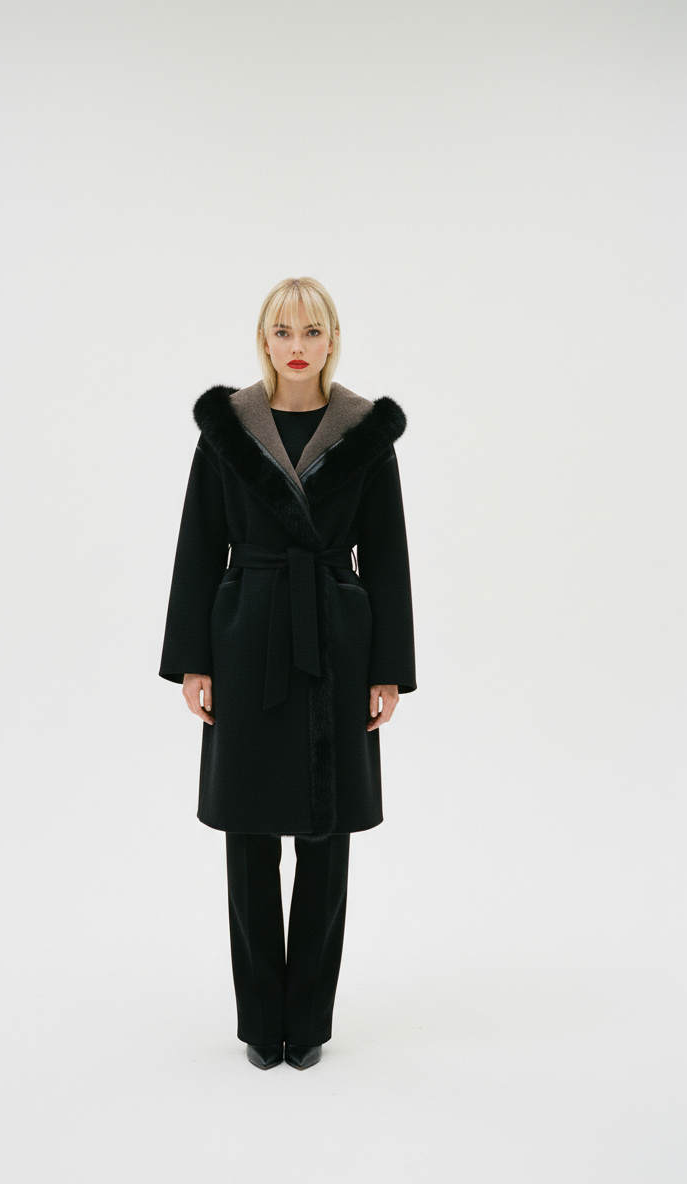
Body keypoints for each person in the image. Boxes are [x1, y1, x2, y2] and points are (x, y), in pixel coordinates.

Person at [159, 277, 416, 1070]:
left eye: (311, 330)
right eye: (282, 331)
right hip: (246, 636)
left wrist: (387, 669)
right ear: (263, 340)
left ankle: (305, 1026)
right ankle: (258, 1024)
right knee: (249, 835)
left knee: (326, 837)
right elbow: (200, 543)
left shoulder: (364, 434)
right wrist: (193, 661)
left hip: (338, 639)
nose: (297, 345)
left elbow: (387, 553)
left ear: (332, 339)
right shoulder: (227, 432)